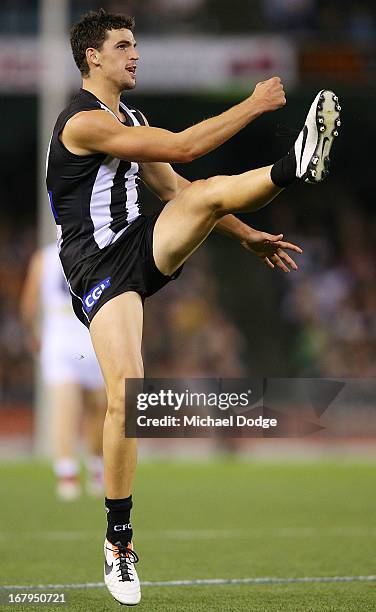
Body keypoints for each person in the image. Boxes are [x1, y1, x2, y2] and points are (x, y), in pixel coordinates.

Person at [45, 8, 340, 605]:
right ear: (91, 58)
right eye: (123, 45)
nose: (135, 54)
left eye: (136, 44)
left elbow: (178, 188)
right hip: (96, 269)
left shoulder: (129, 117)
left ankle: (293, 165)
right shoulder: (81, 122)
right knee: (127, 393)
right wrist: (253, 104)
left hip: (139, 245)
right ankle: (119, 541)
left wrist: (246, 235)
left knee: (203, 193)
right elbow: (184, 144)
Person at [20, 243, 106, 500]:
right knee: (93, 410)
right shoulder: (98, 247)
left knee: (79, 410)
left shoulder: (43, 258)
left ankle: (74, 474)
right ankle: (82, 471)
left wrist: (32, 334)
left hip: (63, 338)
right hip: (88, 335)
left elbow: (28, 305)